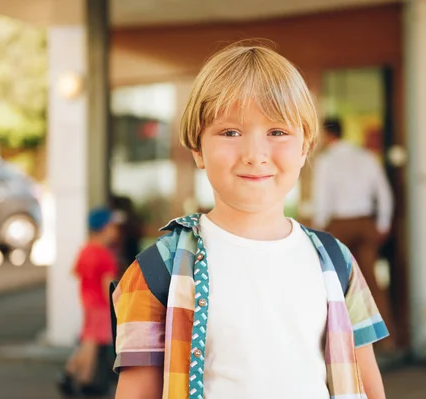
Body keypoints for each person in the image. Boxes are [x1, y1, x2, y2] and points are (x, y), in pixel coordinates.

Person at [112, 41, 390, 399]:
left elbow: (366, 382)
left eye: (277, 132)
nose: (255, 155)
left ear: (305, 147)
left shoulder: (337, 261)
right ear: (197, 149)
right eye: (230, 132)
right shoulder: (156, 269)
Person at [312, 117, 397, 350]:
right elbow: (384, 193)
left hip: (339, 224)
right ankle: (386, 342)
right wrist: (383, 223)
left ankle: (340, 344)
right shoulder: (366, 157)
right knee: (371, 282)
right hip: (365, 223)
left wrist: (317, 230)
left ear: (328, 135)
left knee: (335, 284)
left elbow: (322, 198)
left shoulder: (326, 161)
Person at [58, 207, 120, 396]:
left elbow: (75, 272)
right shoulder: (105, 256)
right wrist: (117, 306)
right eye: (113, 226)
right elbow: (108, 287)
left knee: (89, 341)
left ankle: (71, 376)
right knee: (91, 345)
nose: (116, 231)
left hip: (88, 302)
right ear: (104, 228)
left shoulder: (86, 250)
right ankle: (84, 382)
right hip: (101, 306)